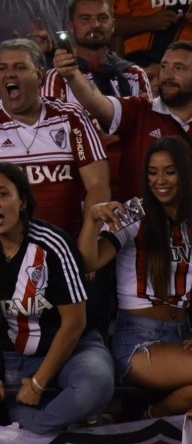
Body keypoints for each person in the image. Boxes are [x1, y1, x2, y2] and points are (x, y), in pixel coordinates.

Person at [0, 162, 114, 435]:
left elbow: (74, 322)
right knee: (34, 428)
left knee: (95, 386)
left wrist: (38, 383)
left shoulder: (52, 243)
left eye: (2, 194)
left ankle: (33, 433)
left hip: (76, 350)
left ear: (22, 201)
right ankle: (74, 430)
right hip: (17, 359)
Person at [0, 38, 110, 234]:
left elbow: (98, 185)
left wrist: (87, 243)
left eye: (20, 67)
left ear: (40, 76)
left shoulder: (71, 117)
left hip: (63, 247)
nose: (9, 74)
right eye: (2, 68)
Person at [78, 137, 192, 418]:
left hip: (185, 334)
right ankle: (147, 420)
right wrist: (92, 221)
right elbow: (89, 261)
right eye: (152, 172)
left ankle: (151, 418)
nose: (159, 180)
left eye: (169, 171)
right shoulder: (134, 211)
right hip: (139, 341)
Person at [53, 41, 192, 201]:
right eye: (164, 67)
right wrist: (73, 75)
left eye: (178, 68)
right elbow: (97, 102)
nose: (167, 75)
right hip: (140, 224)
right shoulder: (139, 109)